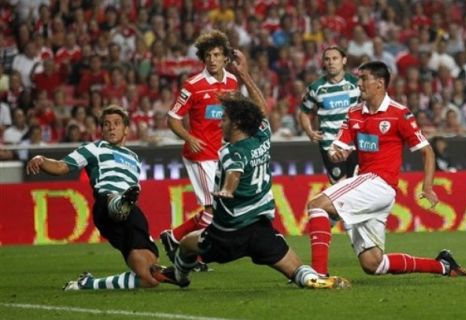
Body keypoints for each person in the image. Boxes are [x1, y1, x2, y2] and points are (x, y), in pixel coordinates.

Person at [154, 50, 350, 290]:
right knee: (298, 270)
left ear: (236, 123)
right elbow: (262, 109)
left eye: (224, 119)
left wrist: (227, 189)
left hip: (227, 234)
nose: (220, 123)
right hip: (260, 231)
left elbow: (234, 172)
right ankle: (319, 280)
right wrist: (244, 74)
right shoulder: (263, 136)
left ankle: (179, 276)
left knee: (186, 244)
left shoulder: (229, 151)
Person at [306, 61, 466, 278]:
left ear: (380, 83)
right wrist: (337, 152)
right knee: (373, 264)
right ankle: (443, 266)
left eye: (364, 78)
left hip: (379, 183)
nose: (359, 83)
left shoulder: (399, 114)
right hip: (367, 185)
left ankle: (318, 276)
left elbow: (427, 151)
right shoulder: (354, 113)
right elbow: (339, 146)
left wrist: (428, 187)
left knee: (317, 206)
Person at [26, 105, 169, 291]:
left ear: (126, 129)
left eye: (116, 123)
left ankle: (89, 283)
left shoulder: (134, 158)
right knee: (116, 200)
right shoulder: (93, 148)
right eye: (106, 124)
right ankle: (119, 204)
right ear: (101, 129)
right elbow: (61, 166)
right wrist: (41, 159)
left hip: (132, 212)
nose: (111, 127)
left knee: (149, 277)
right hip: (106, 203)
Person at [160, 30, 238, 268]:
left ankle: (173, 237)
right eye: (208, 55)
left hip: (222, 153)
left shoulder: (232, 82)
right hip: (201, 154)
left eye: (217, 55)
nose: (212, 59)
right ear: (202, 58)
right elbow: (172, 118)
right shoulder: (192, 85)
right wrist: (188, 137)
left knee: (217, 209)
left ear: (225, 57)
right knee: (213, 209)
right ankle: (187, 248)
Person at [298, 46, 360, 185]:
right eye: (327, 59)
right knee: (339, 187)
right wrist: (309, 131)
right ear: (324, 63)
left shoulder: (356, 84)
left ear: (344, 60)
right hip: (330, 144)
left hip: (353, 143)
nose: (331, 62)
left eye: (335, 58)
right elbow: (303, 111)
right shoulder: (316, 88)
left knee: (357, 187)